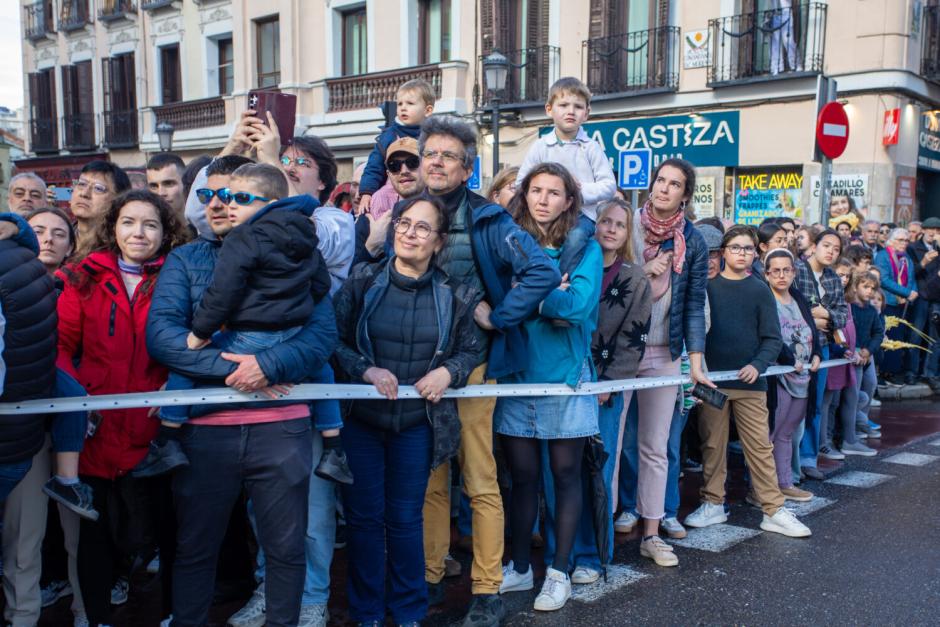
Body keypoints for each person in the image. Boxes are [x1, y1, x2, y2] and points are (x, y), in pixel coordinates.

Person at [145, 155, 339, 627]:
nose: (220, 204)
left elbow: (321, 335)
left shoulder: (293, 254)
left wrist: (267, 365)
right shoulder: (186, 259)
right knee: (195, 549)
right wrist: (239, 371)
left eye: (232, 195)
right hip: (207, 430)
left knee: (287, 549)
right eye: (210, 194)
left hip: (283, 426)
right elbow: (163, 337)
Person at [400, 115, 559, 627]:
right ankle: (429, 576)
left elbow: (543, 271)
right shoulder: (407, 214)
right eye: (430, 155)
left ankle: (487, 589)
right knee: (429, 479)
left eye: (448, 156)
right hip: (417, 367)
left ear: (468, 168)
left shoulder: (490, 219)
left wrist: (503, 315)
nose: (437, 162)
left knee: (480, 477)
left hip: (474, 367)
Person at [136, 164, 348, 486]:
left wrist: (200, 335)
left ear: (269, 203)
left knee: (184, 368)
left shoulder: (242, 239)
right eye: (214, 196)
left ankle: (168, 438)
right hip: (287, 335)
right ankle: (334, 448)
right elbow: (319, 285)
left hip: (253, 344)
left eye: (239, 197)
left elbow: (222, 296)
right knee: (324, 373)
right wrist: (272, 361)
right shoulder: (304, 237)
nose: (226, 205)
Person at [333, 195, 483, 625]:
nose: (409, 233)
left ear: (438, 242)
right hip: (361, 423)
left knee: (404, 521)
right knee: (363, 521)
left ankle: (408, 612)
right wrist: (364, 370)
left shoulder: (455, 293)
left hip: (418, 426)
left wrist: (448, 373)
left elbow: (471, 349)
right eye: (403, 223)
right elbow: (333, 339)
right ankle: (366, 613)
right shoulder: (362, 279)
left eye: (422, 227)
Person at [55, 190, 190, 627]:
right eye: (129, 222)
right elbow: (60, 347)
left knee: (167, 532)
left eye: (150, 224)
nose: (139, 232)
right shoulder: (82, 277)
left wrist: (178, 382)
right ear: (113, 228)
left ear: (164, 232)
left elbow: (201, 336)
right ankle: (95, 618)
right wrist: (78, 399)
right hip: (95, 428)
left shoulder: (179, 276)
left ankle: (170, 613)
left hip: (156, 432)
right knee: (95, 536)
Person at [496, 162, 602, 611]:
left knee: (564, 477)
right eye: (535, 190)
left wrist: (529, 294)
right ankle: (520, 567)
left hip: (565, 379)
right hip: (517, 376)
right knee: (520, 480)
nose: (543, 199)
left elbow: (577, 307)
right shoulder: (507, 242)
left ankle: (559, 572)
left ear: (569, 200)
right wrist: (543, 294)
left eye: (553, 192)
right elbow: (496, 299)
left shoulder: (584, 250)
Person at [685, 225, 810, 538]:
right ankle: (713, 503)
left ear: (756, 253)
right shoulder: (706, 288)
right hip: (712, 382)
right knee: (712, 445)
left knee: (759, 446)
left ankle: (773, 509)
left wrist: (758, 365)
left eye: (748, 248)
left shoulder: (759, 289)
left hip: (751, 384)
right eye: (736, 247)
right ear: (724, 252)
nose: (742, 253)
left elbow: (771, 339)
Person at [616, 158, 710, 567]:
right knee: (610, 443)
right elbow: (606, 283)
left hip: (663, 353)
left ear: (685, 195)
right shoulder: (625, 226)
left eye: (674, 184)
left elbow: (692, 307)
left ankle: (651, 534)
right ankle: (601, 530)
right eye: (660, 180)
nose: (664, 189)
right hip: (618, 351)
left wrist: (696, 364)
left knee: (655, 447)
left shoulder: (695, 240)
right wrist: (642, 270)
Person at [566, 198, 650, 581]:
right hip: (564, 380)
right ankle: (562, 553)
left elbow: (635, 338)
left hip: (605, 387)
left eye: (620, 224)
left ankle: (595, 555)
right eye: (605, 221)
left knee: (598, 469)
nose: (611, 229)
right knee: (563, 470)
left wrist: (609, 382)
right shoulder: (571, 265)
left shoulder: (635, 277)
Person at [764, 247, 820, 501]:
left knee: (787, 433)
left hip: (804, 376)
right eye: (775, 270)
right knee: (770, 434)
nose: (781, 275)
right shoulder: (765, 299)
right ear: (766, 274)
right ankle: (762, 489)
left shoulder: (798, 297)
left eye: (786, 270)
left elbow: (811, 331)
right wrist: (788, 359)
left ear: (794, 272)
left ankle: (785, 482)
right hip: (779, 376)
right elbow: (768, 336)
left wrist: (817, 352)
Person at [792, 228, 847, 480]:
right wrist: (814, 315)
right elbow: (791, 306)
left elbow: (842, 316)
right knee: (790, 405)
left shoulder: (834, 279)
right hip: (795, 345)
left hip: (822, 347)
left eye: (836, 249)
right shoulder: (796, 269)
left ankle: (808, 458)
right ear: (814, 245)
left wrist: (822, 314)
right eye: (827, 246)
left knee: (814, 403)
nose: (831, 252)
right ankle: (788, 461)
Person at [357, 78, 436, 214]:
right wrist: (367, 193)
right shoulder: (388, 136)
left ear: (427, 110)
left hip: (427, 191)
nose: (403, 108)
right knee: (379, 198)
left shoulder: (435, 136)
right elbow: (373, 167)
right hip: (392, 193)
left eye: (410, 103)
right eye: (399, 104)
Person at [354, 137, 426, 266]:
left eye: (412, 162)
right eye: (395, 166)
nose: (404, 171)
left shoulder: (444, 212)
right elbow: (353, 278)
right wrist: (372, 246)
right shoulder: (370, 218)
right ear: (388, 174)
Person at [875, 227, 919, 385]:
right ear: (891, 241)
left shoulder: (906, 257)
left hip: (903, 305)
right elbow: (884, 280)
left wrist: (913, 291)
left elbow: (912, 277)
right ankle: (881, 373)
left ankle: (891, 373)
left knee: (897, 338)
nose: (904, 243)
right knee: (886, 339)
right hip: (888, 302)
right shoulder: (882, 256)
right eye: (900, 240)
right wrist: (907, 292)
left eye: (907, 240)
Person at [849, 271, 885, 439]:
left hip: (866, 354)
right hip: (852, 355)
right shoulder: (849, 306)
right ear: (855, 287)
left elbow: (878, 332)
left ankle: (862, 419)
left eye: (873, 288)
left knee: (870, 384)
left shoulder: (871, 310)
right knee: (853, 391)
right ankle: (854, 424)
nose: (870, 291)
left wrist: (869, 350)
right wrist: (856, 349)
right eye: (865, 287)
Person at [70, 161, 131, 252]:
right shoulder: (59, 238)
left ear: (117, 200)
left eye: (98, 188)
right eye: (82, 184)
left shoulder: (121, 247)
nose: (84, 193)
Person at [28, 206, 75, 276]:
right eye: (38, 232)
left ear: (69, 248)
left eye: (59, 234)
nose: (49, 238)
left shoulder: (81, 285)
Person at [146, 153, 187, 219]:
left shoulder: (204, 226)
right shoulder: (145, 228)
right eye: (154, 186)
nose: (160, 193)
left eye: (168, 184)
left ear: (185, 184)